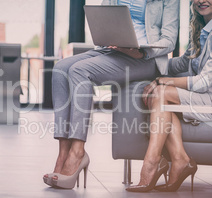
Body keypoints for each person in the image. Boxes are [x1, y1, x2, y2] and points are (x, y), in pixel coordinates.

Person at [43, 0, 180, 189]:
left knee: (79, 71)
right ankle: (63, 155)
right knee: (60, 69)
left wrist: (142, 50)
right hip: (111, 50)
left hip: (145, 58)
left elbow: (170, 39)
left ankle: (78, 152)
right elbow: (102, 21)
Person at [128, 0, 212, 192]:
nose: (202, 1)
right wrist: (148, 60)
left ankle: (152, 162)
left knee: (160, 92)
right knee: (159, 97)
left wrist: (164, 81)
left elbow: (204, 82)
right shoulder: (201, 29)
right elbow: (183, 64)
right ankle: (180, 159)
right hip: (203, 96)